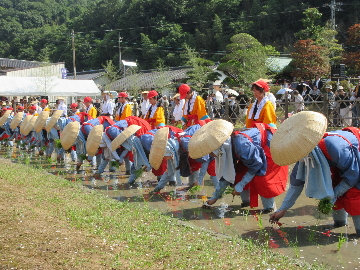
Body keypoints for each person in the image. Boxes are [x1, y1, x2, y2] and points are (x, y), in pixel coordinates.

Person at [269, 111, 360, 236]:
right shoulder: (305, 155)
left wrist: (334, 195)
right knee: (332, 188)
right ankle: (340, 224)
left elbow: (353, 175)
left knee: (354, 195)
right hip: (338, 162)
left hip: (354, 158)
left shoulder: (335, 148)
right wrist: (282, 209)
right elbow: (296, 184)